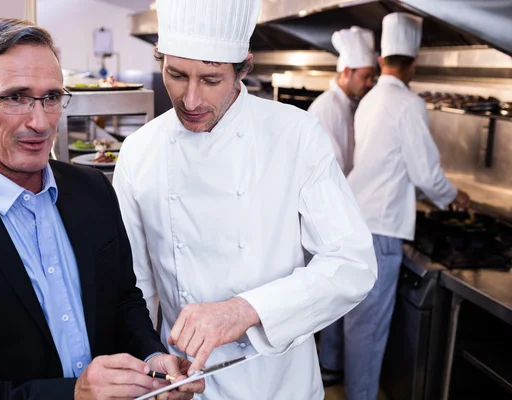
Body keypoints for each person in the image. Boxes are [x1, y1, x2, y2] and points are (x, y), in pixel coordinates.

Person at [0, 18, 204, 400]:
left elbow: (122, 299)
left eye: (51, 97)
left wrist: (152, 356)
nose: (40, 122)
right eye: (15, 97)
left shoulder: (93, 189)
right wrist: (72, 394)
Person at [112, 0, 378, 398]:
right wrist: (149, 361)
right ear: (161, 60)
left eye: (212, 79)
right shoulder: (138, 151)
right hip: (184, 382)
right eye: (177, 75)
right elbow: (136, 286)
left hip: (278, 383)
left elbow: (352, 264)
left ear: (243, 68)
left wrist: (245, 310)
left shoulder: (296, 135)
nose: (191, 100)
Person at [337, 12, 471, 399]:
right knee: (370, 327)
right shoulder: (408, 104)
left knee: (358, 320)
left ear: (381, 61)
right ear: (413, 63)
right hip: (381, 230)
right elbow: (426, 174)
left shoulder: (369, 99)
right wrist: (453, 196)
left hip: (358, 220)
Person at [307, 26, 376, 176]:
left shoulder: (348, 105)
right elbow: (331, 168)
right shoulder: (327, 107)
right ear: (346, 72)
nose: (370, 83)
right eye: (365, 77)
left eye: (372, 78)